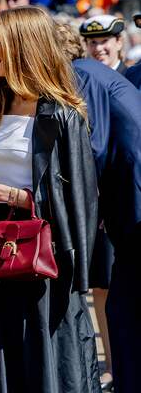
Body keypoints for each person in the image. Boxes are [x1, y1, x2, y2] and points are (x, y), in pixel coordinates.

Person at [0, 6, 99, 393]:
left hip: (42, 261)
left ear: (24, 46)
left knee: (43, 357)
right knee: (0, 354)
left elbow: (79, 199)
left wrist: (9, 194)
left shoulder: (63, 115)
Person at [55, 23, 141, 393]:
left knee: (125, 312)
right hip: (130, 204)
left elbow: (91, 149)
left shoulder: (81, 75)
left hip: (135, 206)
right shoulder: (94, 73)